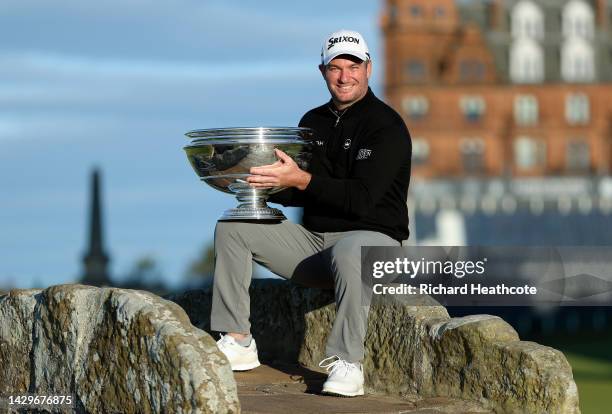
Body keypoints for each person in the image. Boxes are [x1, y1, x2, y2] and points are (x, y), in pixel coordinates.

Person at [212, 29, 412, 397]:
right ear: (322, 72)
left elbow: (363, 199)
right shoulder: (313, 121)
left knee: (351, 250)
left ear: (369, 68)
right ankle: (238, 340)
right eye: (335, 67)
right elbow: (300, 189)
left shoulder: (387, 126)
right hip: (316, 246)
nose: (344, 76)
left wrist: (301, 179)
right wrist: (261, 182)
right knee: (234, 225)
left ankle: (348, 363)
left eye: (353, 66)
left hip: (376, 245)